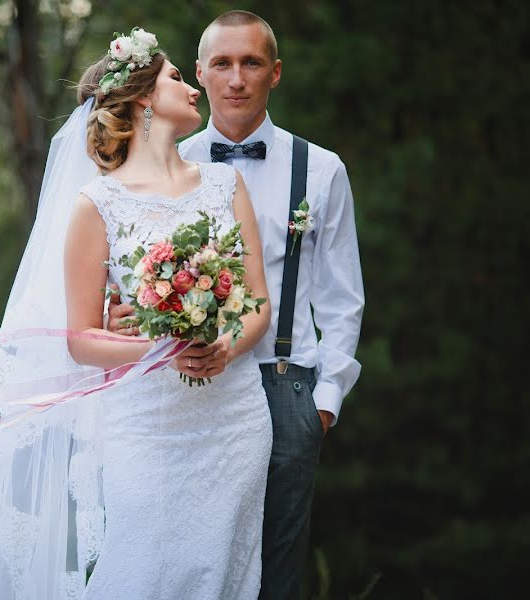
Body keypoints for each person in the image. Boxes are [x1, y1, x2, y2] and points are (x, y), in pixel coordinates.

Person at [0, 27, 275, 600]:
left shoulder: (224, 183)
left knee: (225, 576)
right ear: (141, 98)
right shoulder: (97, 205)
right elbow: (81, 339)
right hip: (146, 425)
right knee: (140, 571)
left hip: (235, 419)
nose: (192, 88)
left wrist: (226, 346)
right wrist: (164, 348)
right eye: (177, 78)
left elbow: (256, 301)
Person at [108, 11, 365, 598]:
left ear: (275, 73)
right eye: (221, 64)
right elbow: (126, 264)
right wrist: (116, 315)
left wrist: (324, 401)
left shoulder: (321, 170)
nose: (236, 78)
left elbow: (343, 297)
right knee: (185, 563)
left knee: (275, 576)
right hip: (181, 397)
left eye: (251, 63)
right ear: (198, 73)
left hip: (283, 386)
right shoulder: (167, 164)